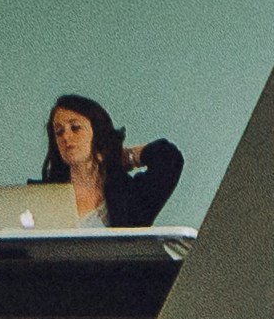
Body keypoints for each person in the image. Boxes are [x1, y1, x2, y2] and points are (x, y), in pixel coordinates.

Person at [29, 94, 183, 230]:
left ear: (98, 134)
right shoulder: (40, 196)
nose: (66, 137)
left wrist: (127, 156)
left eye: (75, 128)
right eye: (59, 131)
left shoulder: (128, 196)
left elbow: (170, 159)